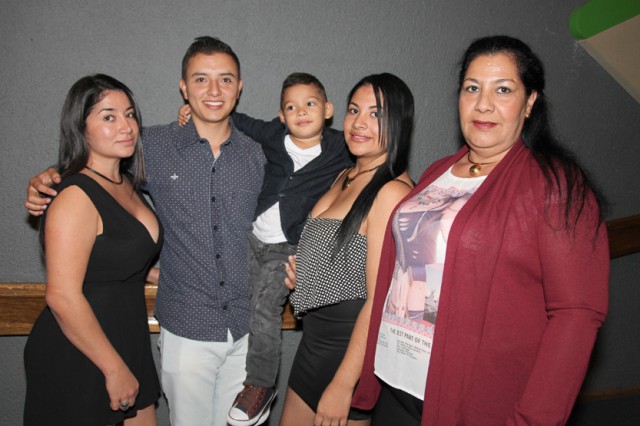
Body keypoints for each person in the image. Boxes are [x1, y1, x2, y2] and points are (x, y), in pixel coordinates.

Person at [352, 35, 610, 425]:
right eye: (472, 88)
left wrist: (534, 419)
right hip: (395, 382)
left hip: (468, 402)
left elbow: (576, 314)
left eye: (503, 89)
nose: (483, 103)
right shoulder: (438, 171)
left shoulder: (556, 186)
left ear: (529, 102)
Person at [24, 37, 267, 426]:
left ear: (239, 87)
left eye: (225, 79)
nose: (214, 90)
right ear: (184, 87)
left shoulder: (258, 153)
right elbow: (89, 166)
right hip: (186, 326)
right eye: (201, 79)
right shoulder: (149, 146)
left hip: (246, 326)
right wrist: (49, 178)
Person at [178, 72, 353, 426]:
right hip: (251, 237)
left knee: (264, 309)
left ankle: (260, 384)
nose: (301, 112)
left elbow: (378, 157)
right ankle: (208, 354)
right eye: (291, 107)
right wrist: (194, 113)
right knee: (224, 284)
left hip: (288, 248)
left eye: (310, 104)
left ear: (328, 110)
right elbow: (239, 120)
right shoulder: (274, 135)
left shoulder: (341, 147)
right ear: (281, 116)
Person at [23, 74, 161, 425]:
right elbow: (62, 296)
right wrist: (113, 368)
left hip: (128, 338)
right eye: (108, 117)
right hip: (81, 350)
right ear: (80, 128)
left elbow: (109, 254)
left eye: (129, 115)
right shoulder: (74, 195)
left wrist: (147, 272)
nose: (126, 126)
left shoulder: (127, 183)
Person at [280, 73, 415, 426]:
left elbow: (380, 299)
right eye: (354, 110)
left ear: (399, 123)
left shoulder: (391, 192)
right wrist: (306, 278)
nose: (359, 122)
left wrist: (344, 384)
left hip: (347, 356)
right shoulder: (344, 176)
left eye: (376, 114)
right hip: (313, 346)